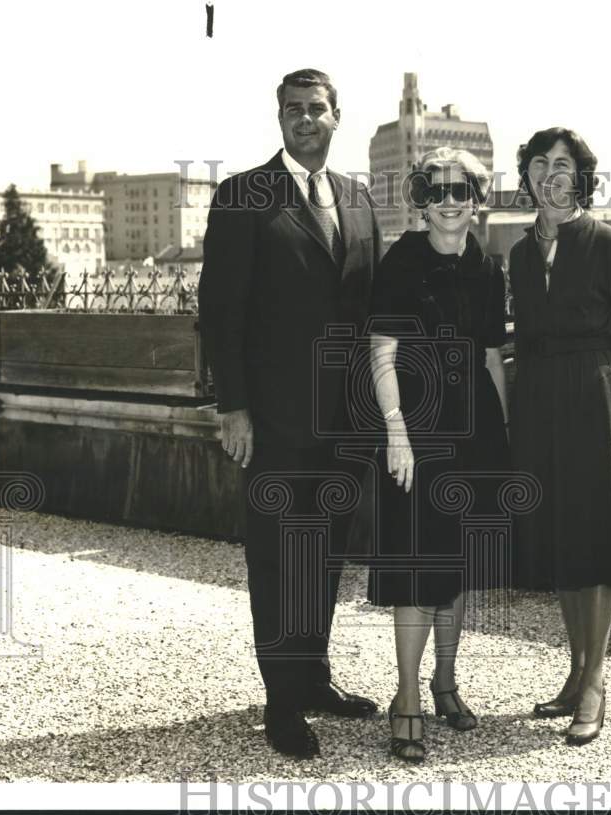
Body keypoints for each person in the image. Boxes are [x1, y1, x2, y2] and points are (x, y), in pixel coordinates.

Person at [198, 68, 380, 760]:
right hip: (272, 419)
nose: (305, 119)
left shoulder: (360, 201)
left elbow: (372, 313)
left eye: (317, 109)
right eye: (293, 109)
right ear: (279, 118)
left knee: (327, 553)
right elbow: (221, 311)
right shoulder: (244, 197)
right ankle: (280, 700)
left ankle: (313, 677)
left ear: (337, 116)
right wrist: (233, 406)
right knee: (278, 556)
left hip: (345, 422)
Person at [367, 147, 510, 763]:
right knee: (416, 571)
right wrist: (396, 431)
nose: (451, 202)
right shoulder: (403, 259)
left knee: (454, 571)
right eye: (439, 191)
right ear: (424, 199)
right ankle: (406, 700)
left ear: (477, 199)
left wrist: (505, 437)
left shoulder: (486, 267)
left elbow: (489, 358)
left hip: (474, 432)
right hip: (417, 433)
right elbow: (382, 353)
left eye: (462, 191)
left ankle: (446, 682)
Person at [508, 127, 611, 745]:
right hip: (539, 398)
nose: (550, 174)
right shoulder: (516, 252)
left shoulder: (607, 242)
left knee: (594, 534)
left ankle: (595, 682)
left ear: (581, 176)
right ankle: (573, 673)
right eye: (540, 163)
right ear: (528, 176)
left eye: (562, 165)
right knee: (560, 535)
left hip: (593, 395)